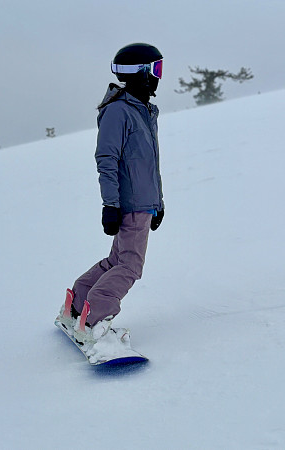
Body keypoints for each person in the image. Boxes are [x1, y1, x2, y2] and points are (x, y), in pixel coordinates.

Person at [56, 43, 165, 343]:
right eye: (155, 69)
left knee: (117, 261)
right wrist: (111, 205)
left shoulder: (142, 109)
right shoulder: (119, 111)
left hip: (143, 204)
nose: (158, 76)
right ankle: (96, 319)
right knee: (130, 265)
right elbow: (107, 158)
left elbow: (148, 163)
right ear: (140, 74)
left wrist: (159, 203)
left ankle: (78, 304)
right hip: (129, 204)